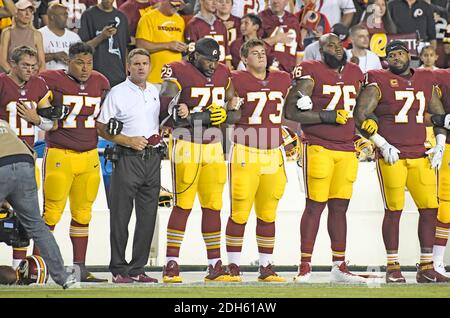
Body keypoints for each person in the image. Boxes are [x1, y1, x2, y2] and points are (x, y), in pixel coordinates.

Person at [353, 40, 450, 283]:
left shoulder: (425, 79)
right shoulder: (378, 79)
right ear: (386, 59)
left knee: (430, 209)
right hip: (392, 154)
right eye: (391, 55)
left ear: (409, 55)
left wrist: (439, 143)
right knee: (393, 210)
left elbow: (438, 116)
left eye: (399, 53)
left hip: (421, 154)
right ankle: (392, 267)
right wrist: (381, 143)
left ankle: (426, 267)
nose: (395, 58)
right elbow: (360, 115)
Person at [284, 33, 367, 283]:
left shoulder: (355, 72)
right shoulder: (310, 70)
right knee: (315, 205)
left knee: (340, 207)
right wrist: (327, 116)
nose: (337, 48)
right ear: (320, 50)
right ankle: (305, 265)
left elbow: (361, 111)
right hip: (318, 145)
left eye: (338, 44)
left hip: (346, 148)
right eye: (329, 45)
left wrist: (367, 136)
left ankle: (339, 266)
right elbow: (290, 111)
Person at [160, 37, 240, 283]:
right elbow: (168, 113)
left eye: (216, 60)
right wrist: (204, 116)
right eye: (208, 59)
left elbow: (234, 110)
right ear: (194, 55)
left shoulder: (223, 72)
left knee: (213, 205)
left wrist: (226, 111)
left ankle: (215, 264)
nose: (213, 64)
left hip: (214, 146)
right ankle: (171, 263)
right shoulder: (178, 70)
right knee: (183, 204)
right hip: (186, 144)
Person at [38, 42, 110, 283]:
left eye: (89, 63)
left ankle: (80, 268)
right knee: (51, 215)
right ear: (68, 61)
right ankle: (36, 268)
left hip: (90, 155)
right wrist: (46, 111)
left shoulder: (100, 81)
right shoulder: (49, 78)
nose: (85, 68)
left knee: (83, 214)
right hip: (60, 153)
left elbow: (106, 114)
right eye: (80, 62)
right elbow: (32, 100)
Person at [225, 39, 291, 282]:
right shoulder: (235, 79)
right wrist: (231, 105)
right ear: (244, 58)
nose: (260, 56)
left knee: (268, 213)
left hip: (273, 152)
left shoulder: (282, 79)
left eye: (262, 52)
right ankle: (233, 265)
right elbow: (228, 114)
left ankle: (266, 266)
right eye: (254, 53)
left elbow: (292, 108)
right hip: (245, 150)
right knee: (239, 212)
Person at [96, 48, 161, 284]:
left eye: (145, 63)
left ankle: (137, 268)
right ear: (128, 67)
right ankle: (118, 269)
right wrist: (128, 140)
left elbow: (152, 122)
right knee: (121, 215)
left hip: (153, 158)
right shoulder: (118, 92)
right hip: (126, 158)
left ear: (150, 66)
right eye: (136, 64)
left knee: (148, 217)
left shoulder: (154, 90)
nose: (141, 67)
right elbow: (101, 126)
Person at [0, 119, 76, 289]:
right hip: (25, 163)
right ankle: (64, 278)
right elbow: (30, 152)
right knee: (37, 226)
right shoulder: (3, 123)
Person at [0, 45, 56, 269]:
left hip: (26, 159)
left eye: (33, 66)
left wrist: (36, 119)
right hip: (3, 157)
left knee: (23, 215)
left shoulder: (39, 85)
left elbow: (51, 123)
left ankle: (17, 268)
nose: (30, 70)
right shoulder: (3, 83)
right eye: (25, 65)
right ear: (12, 65)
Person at [135, 0, 186, 90]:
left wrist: (184, 48)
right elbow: (140, 45)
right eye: (173, 5)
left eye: (178, 5)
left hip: (175, 80)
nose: (176, 7)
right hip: (154, 78)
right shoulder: (148, 18)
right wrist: (168, 45)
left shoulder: (180, 20)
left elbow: (179, 45)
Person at [428, 68, 450, 275]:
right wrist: (441, 120)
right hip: (448, 146)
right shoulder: (440, 77)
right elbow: (425, 111)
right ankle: (436, 261)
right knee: (445, 208)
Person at [79, 0, 130, 87]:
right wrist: (102, 36)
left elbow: (124, 48)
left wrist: (126, 73)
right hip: (96, 75)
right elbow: (83, 49)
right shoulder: (88, 15)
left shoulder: (122, 16)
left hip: (119, 76)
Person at [0, 0, 46, 74]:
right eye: (24, 10)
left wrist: (37, 78)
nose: (27, 14)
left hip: (31, 79)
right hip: (10, 78)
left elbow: (42, 62)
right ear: (16, 12)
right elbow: (2, 61)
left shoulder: (37, 34)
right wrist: (15, 76)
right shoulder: (7, 33)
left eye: (30, 11)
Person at [259, 0, 303, 73]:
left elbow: (299, 50)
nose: (276, 1)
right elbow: (253, 45)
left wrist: (296, 71)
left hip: (290, 72)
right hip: (268, 71)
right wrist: (275, 39)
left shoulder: (294, 19)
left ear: (286, 2)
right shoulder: (261, 18)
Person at [185, 0, 232, 68]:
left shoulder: (221, 25)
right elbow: (192, 56)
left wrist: (228, 72)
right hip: (203, 73)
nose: (214, 2)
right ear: (201, 1)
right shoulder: (193, 25)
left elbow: (227, 53)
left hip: (221, 71)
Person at [39, 3, 81, 70]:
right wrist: (54, 56)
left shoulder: (75, 37)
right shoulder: (39, 34)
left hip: (70, 78)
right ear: (52, 17)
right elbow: (31, 59)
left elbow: (82, 59)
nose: (66, 16)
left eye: (67, 14)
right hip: (47, 78)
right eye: (63, 14)